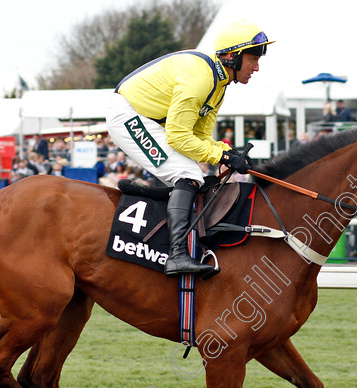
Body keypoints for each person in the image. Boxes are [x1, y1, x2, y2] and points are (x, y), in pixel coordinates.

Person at [105, 19, 273, 277]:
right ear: (231, 56)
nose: (257, 67)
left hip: (150, 120)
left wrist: (228, 153)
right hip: (128, 114)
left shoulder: (219, 85)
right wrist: (222, 155)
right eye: (253, 58)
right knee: (187, 175)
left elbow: (199, 136)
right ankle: (176, 255)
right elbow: (178, 138)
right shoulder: (200, 79)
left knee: (195, 174)